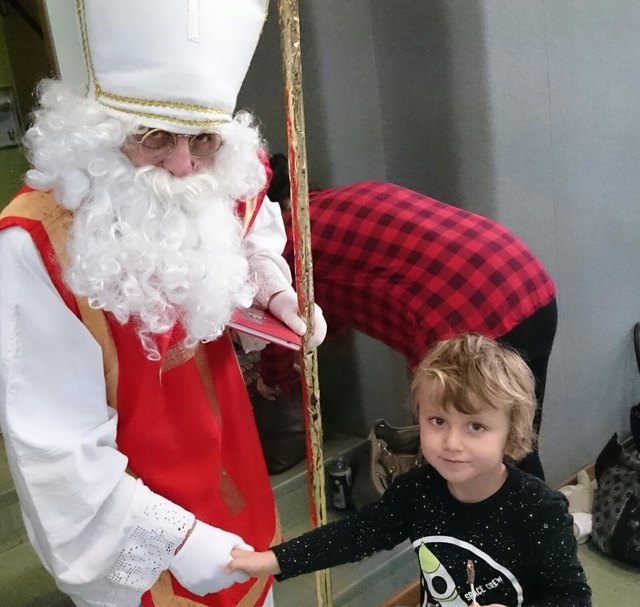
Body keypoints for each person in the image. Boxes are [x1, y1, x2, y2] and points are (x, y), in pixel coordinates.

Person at [0, 2, 325, 607]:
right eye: (152, 137)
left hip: (229, 455)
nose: (182, 167)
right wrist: (174, 543)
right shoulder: (33, 247)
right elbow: (56, 449)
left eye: (201, 138)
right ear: (91, 138)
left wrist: (272, 287)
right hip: (136, 507)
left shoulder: (207, 171)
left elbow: (249, 215)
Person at [228, 334, 592, 607]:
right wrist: (275, 559)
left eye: (475, 427)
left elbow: (572, 598)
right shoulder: (418, 490)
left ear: (510, 432)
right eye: (437, 421)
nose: (451, 442)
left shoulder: (538, 508)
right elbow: (358, 534)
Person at [258, 155, 557, 479]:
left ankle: (482, 529)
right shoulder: (356, 194)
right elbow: (345, 298)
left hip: (473, 328)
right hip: (530, 286)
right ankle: (545, 526)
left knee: (468, 464)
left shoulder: (290, 238)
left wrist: (270, 381)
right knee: (516, 444)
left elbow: (281, 326)